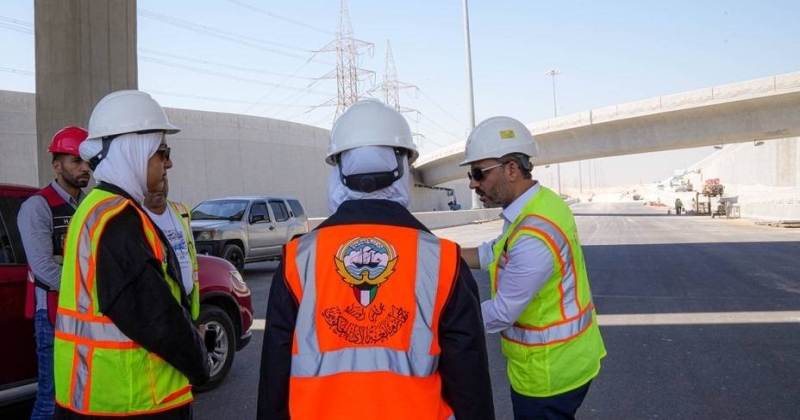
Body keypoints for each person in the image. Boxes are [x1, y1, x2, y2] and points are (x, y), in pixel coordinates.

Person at [257, 99, 495, 420]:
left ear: (338, 169)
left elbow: (274, 382)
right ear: (403, 168)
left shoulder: (298, 260)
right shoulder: (443, 261)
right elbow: (470, 387)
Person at [53, 90, 209, 420]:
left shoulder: (97, 208)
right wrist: (200, 361)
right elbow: (155, 316)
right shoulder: (118, 219)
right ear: (133, 151)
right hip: (132, 401)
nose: (168, 163)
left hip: (100, 400)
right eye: (162, 152)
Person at [459, 116, 606, 420]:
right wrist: (442, 256)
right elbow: (497, 252)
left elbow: (501, 313)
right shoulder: (542, 204)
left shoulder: (532, 236)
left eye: (479, 173)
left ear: (512, 169)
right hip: (572, 357)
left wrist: (437, 320)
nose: (473, 183)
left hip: (548, 373)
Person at [18, 126, 91, 420]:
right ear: (57, 165)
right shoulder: (38, 207)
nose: (85, 167)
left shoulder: (90, 204)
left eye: (87, 161)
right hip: (52, 314)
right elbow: (44, 268)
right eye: (76, 161)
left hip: (85, 314)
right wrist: (91, 292)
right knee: (51, 397)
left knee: (80, 395)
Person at [143, 168, 200, 322]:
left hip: (187, 305)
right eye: (153, 182)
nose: (160, 186)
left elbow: (191, 252)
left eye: (164, 179)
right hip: (160, 310)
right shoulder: (137, 217)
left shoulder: (182, 211)